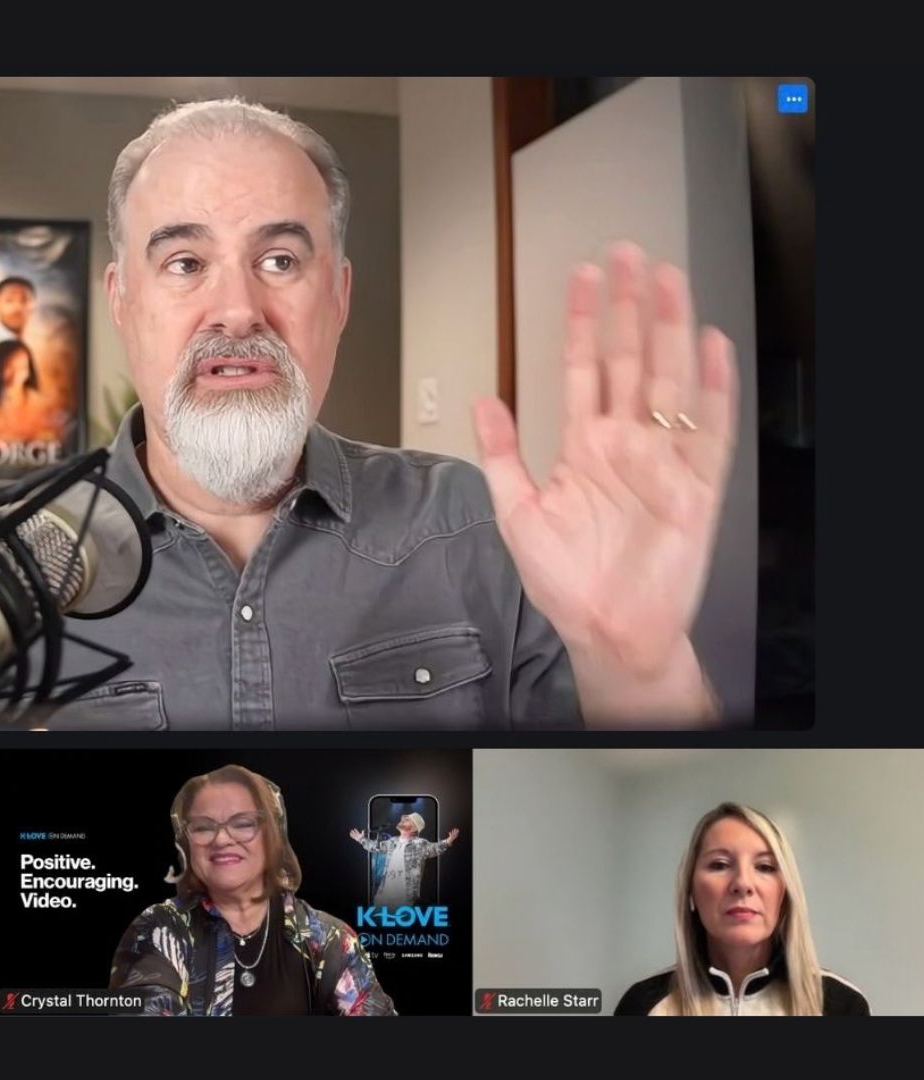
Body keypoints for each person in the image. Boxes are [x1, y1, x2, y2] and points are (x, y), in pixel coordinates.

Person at [50, 96, 737, 731]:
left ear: (339, 298)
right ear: (121, 301)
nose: (237, 309)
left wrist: (638, 665)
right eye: (184, 262)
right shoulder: (14, 567)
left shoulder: (475, 524)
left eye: (281, 259)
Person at [108, 764, 395, 1015]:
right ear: (186, 842)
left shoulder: (328, 939)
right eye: (202, 827)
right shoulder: (158, 929)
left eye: (243, 823)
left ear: (273, 836)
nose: (221, 839)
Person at [612, 802, 869, 1016]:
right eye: (720, 864)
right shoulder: (642, 1005)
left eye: (765, 867)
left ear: (785, 892)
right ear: (691, 889)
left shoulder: (841, 1005)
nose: (743, 884)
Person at [351, 814, 459, 909]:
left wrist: (448, 841)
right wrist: (361, 839)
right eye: (403, 818)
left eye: (407, 819)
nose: (402, 820)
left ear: (414, 828)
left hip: (403, 899)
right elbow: (376, 847)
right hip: (383, 896)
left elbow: (435, 848)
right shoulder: (392, 841)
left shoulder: (420, 843)